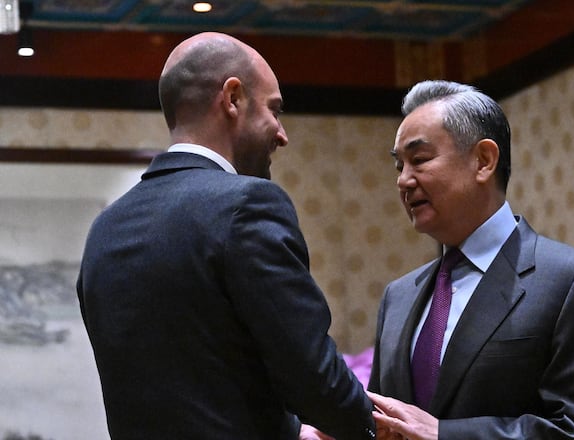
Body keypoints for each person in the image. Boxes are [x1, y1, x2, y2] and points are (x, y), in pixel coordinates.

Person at [76, 32, 376, 440]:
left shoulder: (104, 230)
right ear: (232, 98)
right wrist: (373, 427)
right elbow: (313, 377)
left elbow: (197, 391)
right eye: (274, 110)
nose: (282, 134)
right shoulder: (247, 204)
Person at [366, 80, 574, 439]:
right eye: (399, 166)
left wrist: (446, 435)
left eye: (420, 160)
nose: (404, 181)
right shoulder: (398, 297)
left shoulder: (573, 281)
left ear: (484, 161)